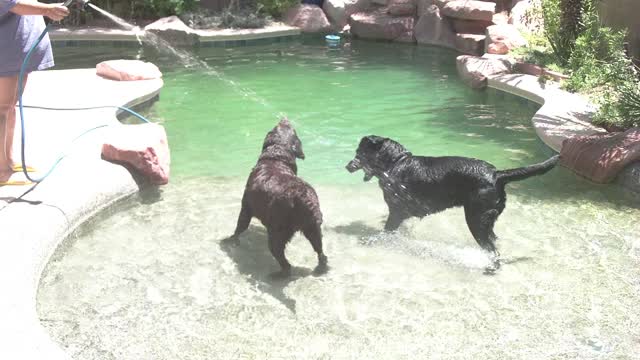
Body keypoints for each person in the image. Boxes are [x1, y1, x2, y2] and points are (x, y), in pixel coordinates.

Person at [0, 1, 69, 185]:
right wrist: (48, 10)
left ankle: (8, 160)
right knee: (1, 109)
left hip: (17, 46)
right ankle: (1, 170)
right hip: (5, 47)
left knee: (9, 107)